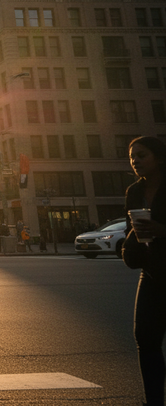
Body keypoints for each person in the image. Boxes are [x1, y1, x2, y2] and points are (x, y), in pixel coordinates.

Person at [121, 136, 166, 406]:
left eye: (142, 155)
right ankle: (154, 401)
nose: (135, 160)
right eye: (132, 157)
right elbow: (131, 231)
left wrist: (163, 231)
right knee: (146, 341)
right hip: (151, 272)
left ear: (159, 158)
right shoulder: (134, 192)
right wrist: (133, 236)